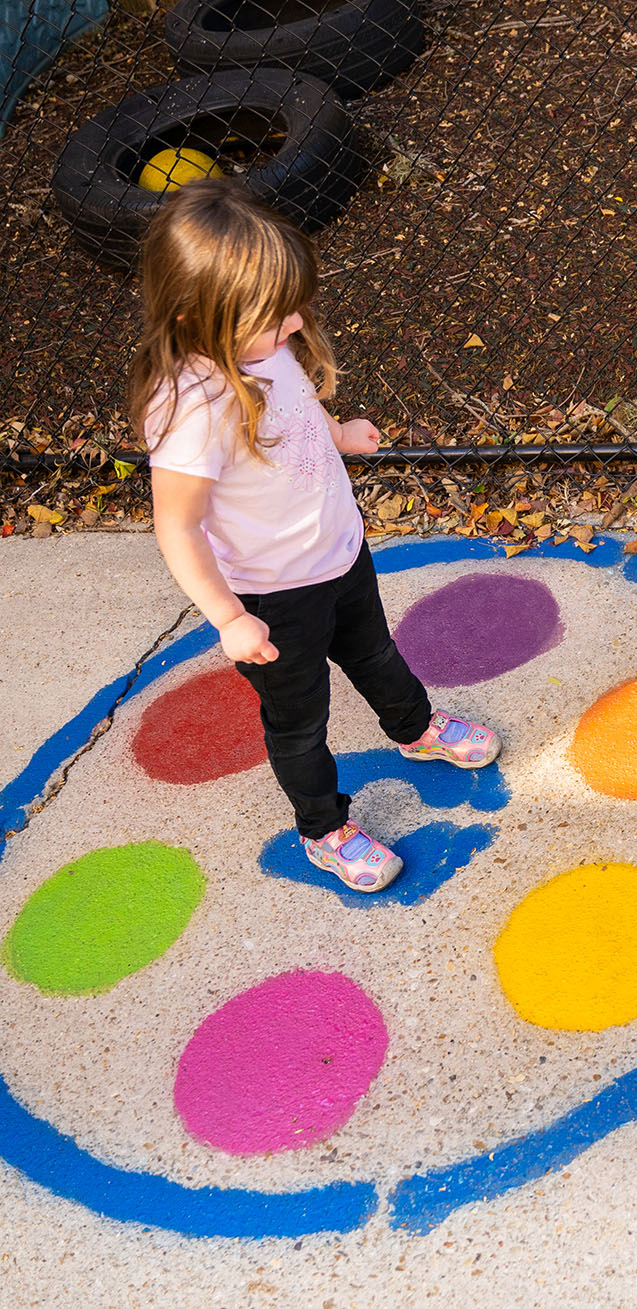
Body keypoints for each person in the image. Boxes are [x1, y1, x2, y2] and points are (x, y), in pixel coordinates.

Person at [135, 179, 498, 894]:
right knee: (299, 722)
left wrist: (338, 435)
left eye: (291, 307)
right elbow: (176, 527)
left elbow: (294, 414)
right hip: (272, 599)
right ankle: (323, 829)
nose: (297, 323)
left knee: (374, 653)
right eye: (276, 316)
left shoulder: (256, 345)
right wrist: (229, 617)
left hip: (339, 553)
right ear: (195, 315)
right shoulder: (190, 412)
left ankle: (416, 728)